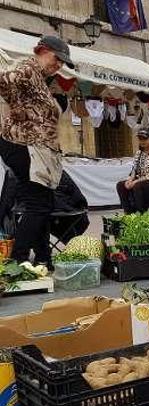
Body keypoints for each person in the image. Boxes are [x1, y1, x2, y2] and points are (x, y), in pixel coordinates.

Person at [0, 35, 73, 266]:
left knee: (42, 204)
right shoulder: (28, 68)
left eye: (63, 62)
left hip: (33, 147)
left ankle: (43, 259)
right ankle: (17, 262)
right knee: (38, 204)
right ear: (42, 50)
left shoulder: (40, 78)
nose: (59, 64)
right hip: (25, 146)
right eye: (57, 58)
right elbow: (5, 79)